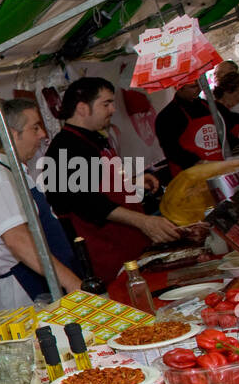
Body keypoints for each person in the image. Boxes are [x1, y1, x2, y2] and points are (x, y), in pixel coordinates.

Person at [44, 77, 178, 285]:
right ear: (82, 108)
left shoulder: (94, 138)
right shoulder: (65, 149)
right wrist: (144, 221)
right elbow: (88, 203)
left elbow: (100, 182)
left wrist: (133, 183)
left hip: (131, 248)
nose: (113, 109)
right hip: (107, 257)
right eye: (106, 104)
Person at [0, 98, 82, 310]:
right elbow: (18, 240)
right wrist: (71, 282)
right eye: (35, 128)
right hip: (26, 292)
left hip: (39, 281)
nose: (42, 134)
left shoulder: (7, 172)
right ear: (11, 133)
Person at [154, 79, 224, 177]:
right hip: (190, 174)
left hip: (218, 166)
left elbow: (226, 126)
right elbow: (171, 150)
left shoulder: (206, 105)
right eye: (193, 86)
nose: (199, 89)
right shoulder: (167, 116)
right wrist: (198, 162)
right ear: (178, 87)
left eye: (199, 85)